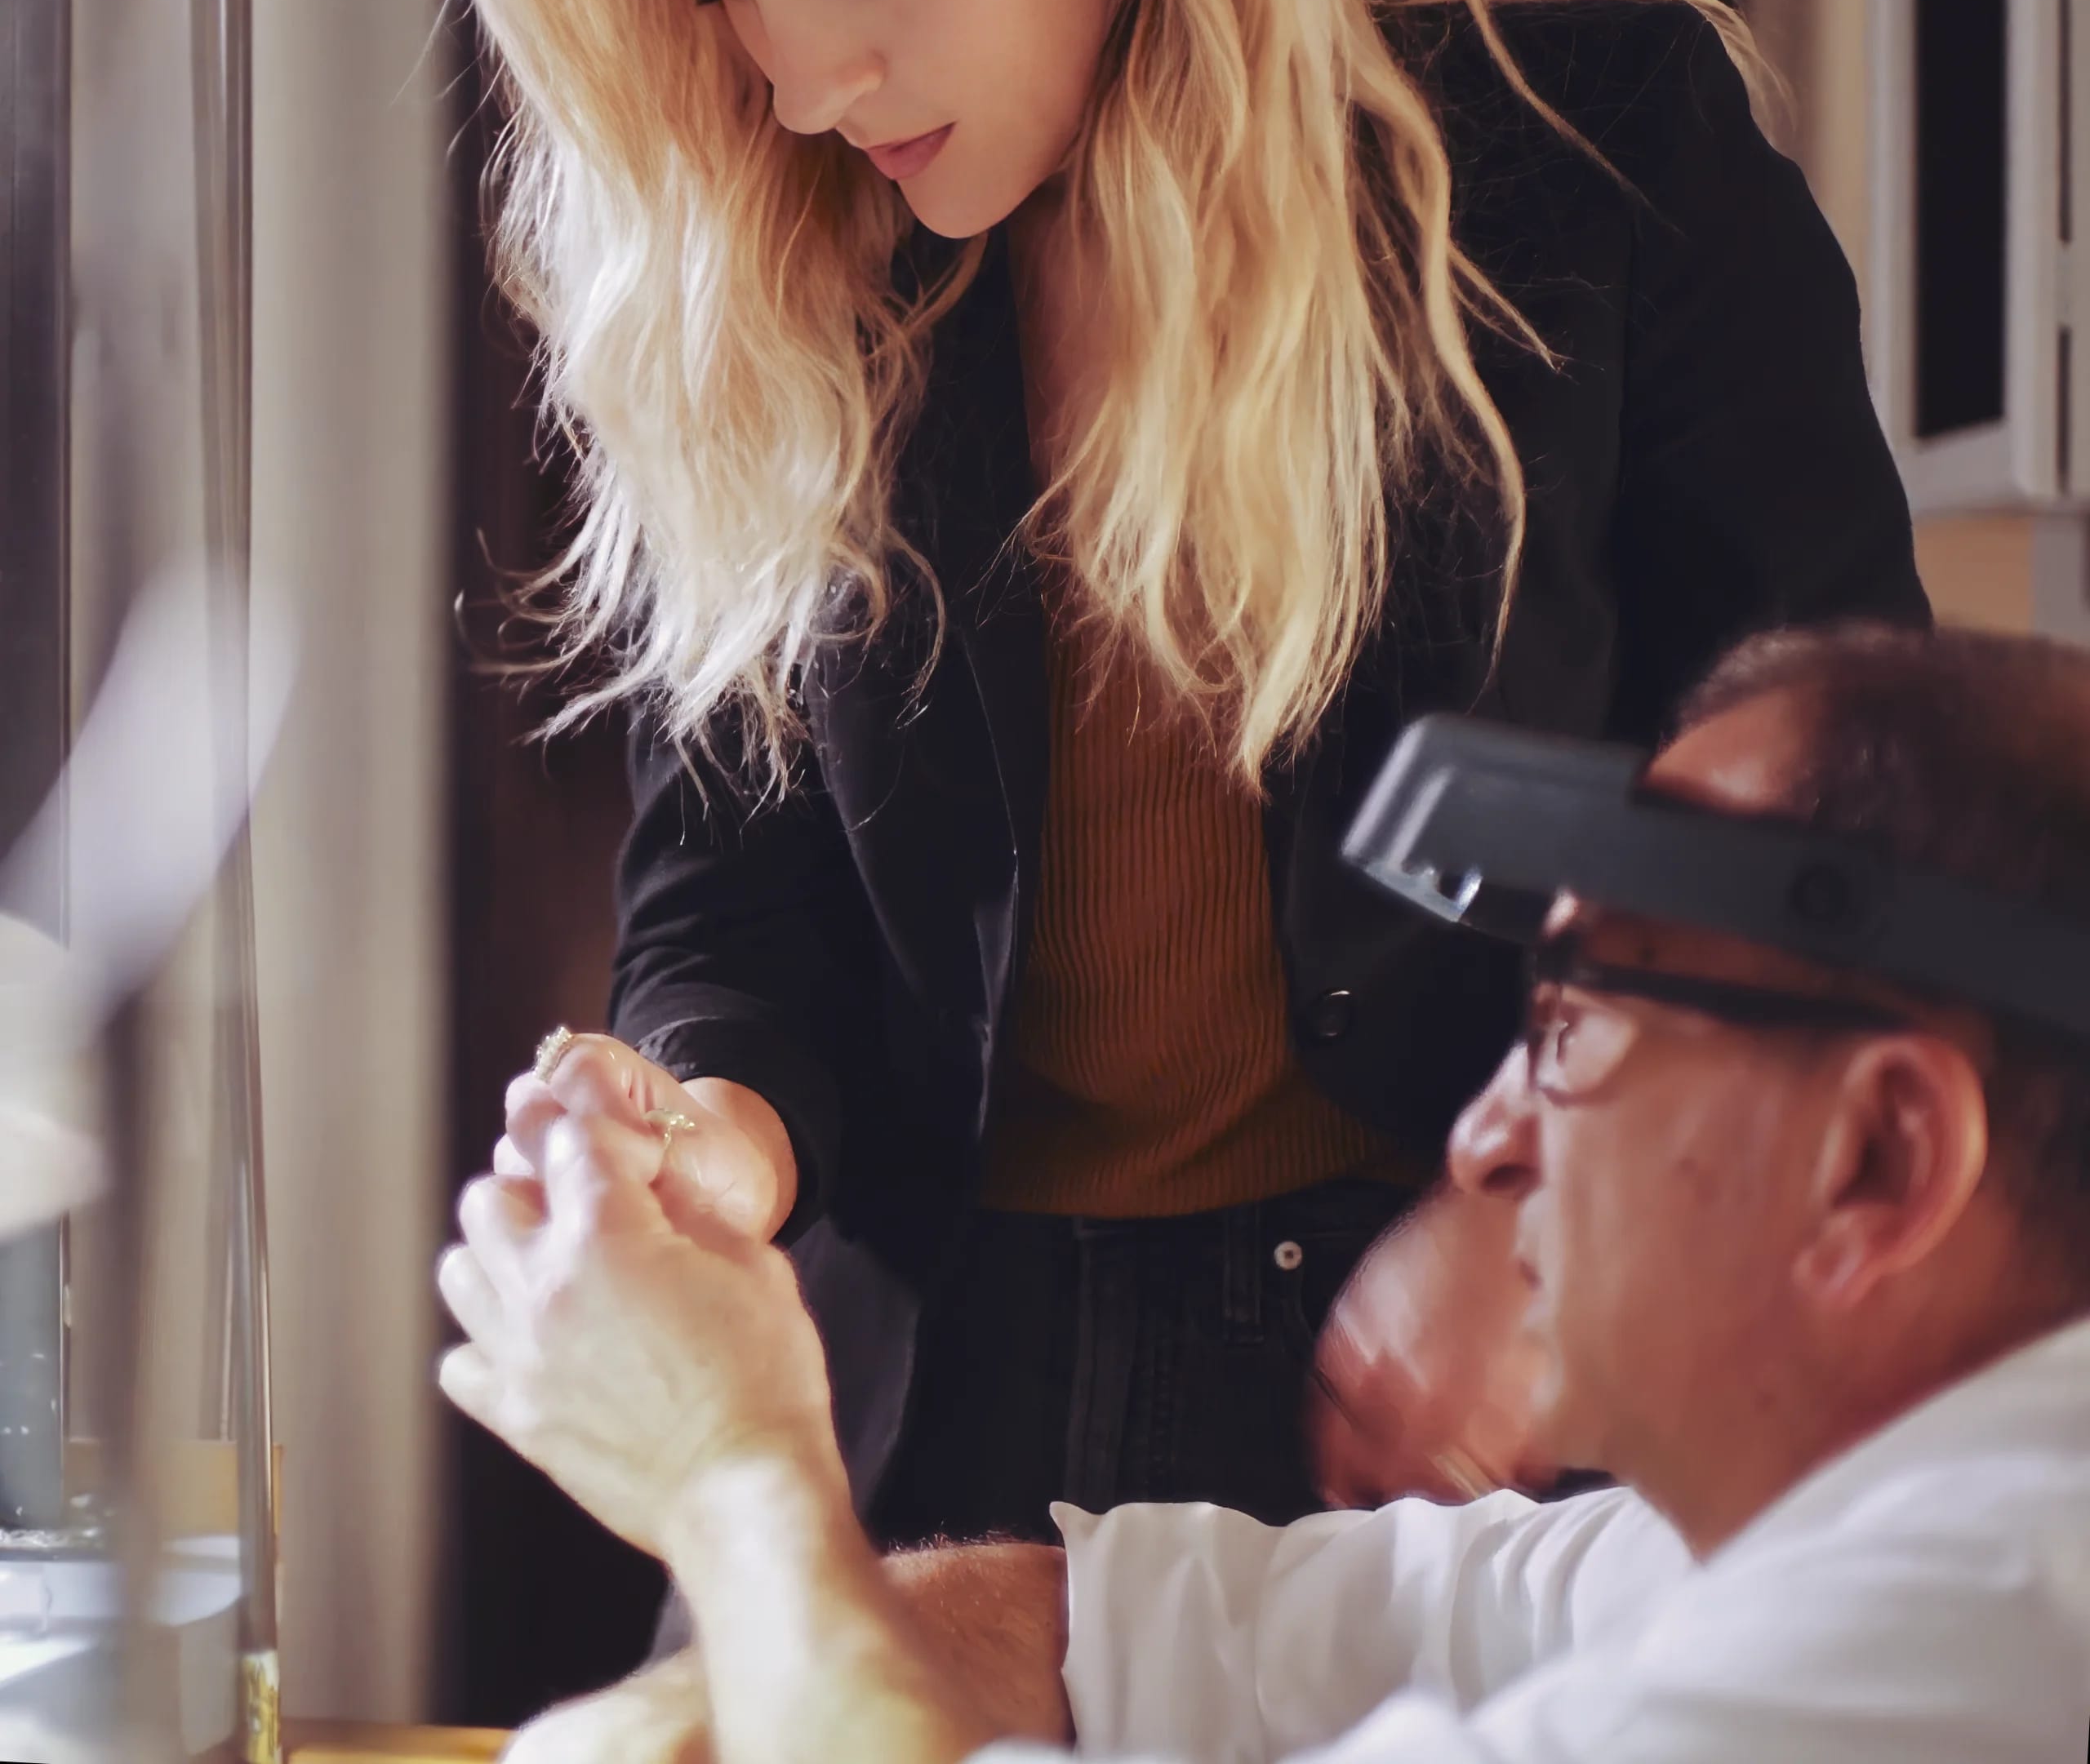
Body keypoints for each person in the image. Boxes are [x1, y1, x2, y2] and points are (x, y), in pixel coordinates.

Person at [464, 0, 1928, 1563]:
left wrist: (1536, 1207)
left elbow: (1825, 805)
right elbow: (727, 897)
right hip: (937, 1398)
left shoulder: (1594, 151)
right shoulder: (777, 257)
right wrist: (716, 1130)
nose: (799, 83)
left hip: (1460, 1400)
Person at [443, 621, 2090, 1764]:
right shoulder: (1736, 1543)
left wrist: (735, 1481)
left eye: (1577, 1022)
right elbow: (1159, 1627)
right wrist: (716, 1689)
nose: (1485, 1141)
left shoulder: (1977, 1623)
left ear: (1878, 1154)